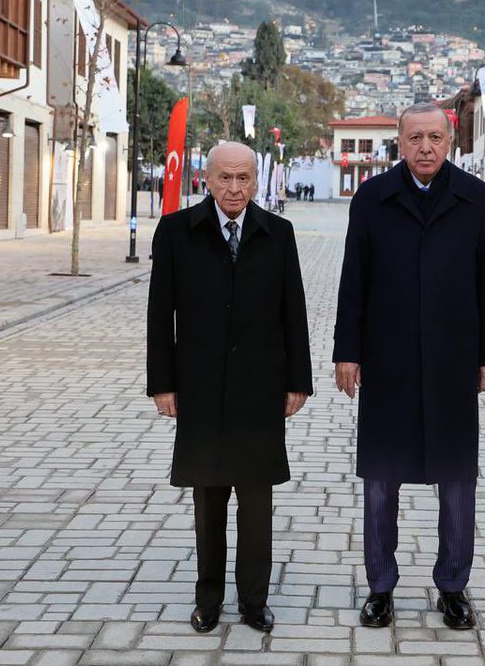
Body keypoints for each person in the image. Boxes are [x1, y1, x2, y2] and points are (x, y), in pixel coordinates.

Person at [333, 102, 485, 631]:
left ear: (449, 142)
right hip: (389, 361)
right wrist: (347, 351)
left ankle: (453, 585)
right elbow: (352, 280)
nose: (425, 147)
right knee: (381, 479)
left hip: (453, 360)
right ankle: (380, 586)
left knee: (457, 479)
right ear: (399, 143)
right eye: (415, 138)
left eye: (434, 137)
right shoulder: (372, 199)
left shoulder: (475, 199)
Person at [147, 141, 313, 635]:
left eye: (244, 179)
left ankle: (254, 601)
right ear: (208, 178)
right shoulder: (177, 232)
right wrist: (163, 383)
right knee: (209, 499)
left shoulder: (277, 234)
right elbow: (160, 315)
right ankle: (208, 599)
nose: (234, 188)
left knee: (257, 502)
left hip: (260, 388)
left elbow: (294, 312)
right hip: (200, 386)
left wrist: (297, 381)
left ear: (256, 181)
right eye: (225, 178)